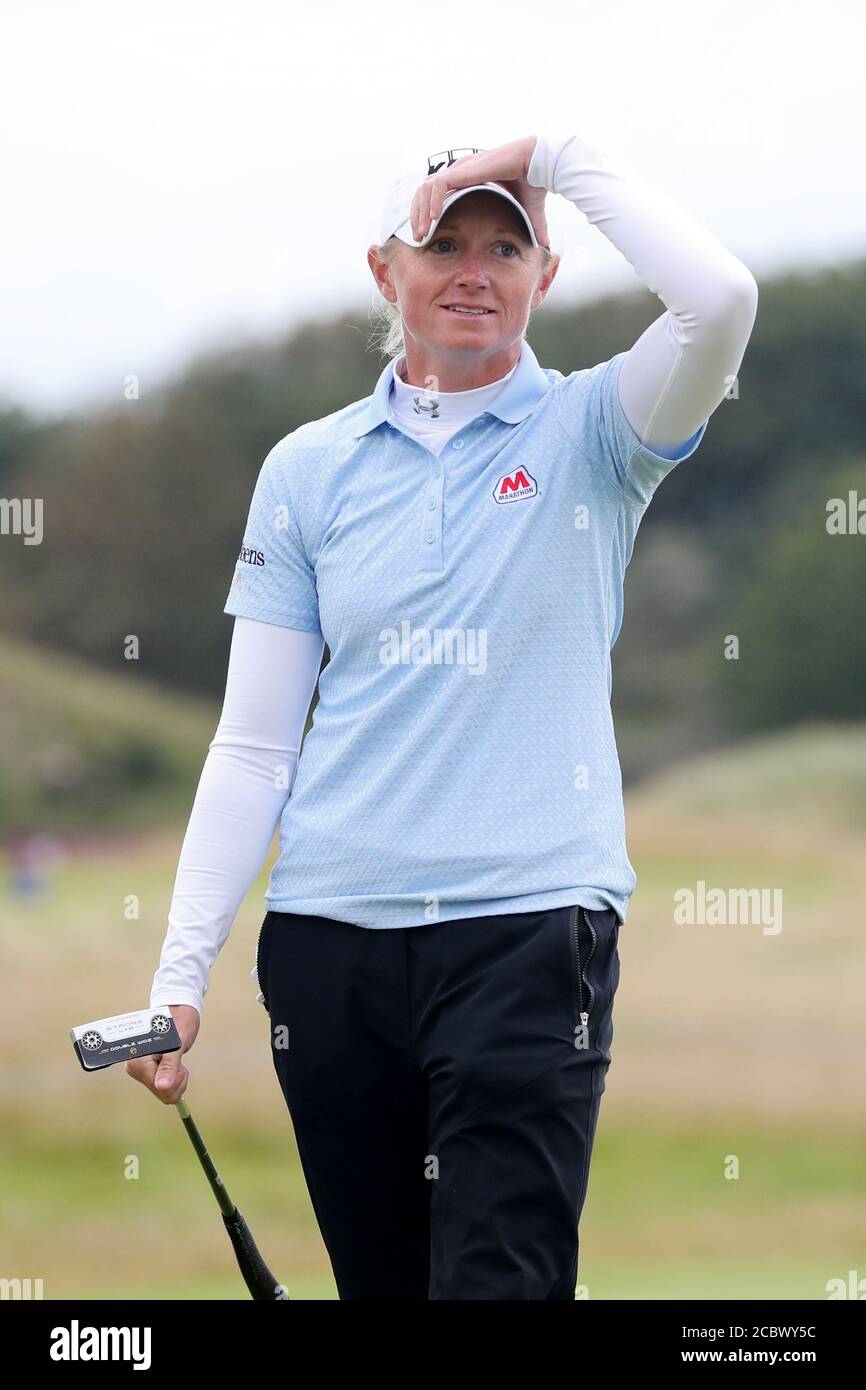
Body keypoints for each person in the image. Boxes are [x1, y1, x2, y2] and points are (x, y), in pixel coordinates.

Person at [128, 131, 758, 1300]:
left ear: (544, 279)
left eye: (505, 246)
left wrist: (555, 155)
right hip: (327, 948)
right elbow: (256, 744)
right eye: (443, 243)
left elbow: (718, 296)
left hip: (525, 933)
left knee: (498, 1282)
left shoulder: (596, 435)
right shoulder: (306, 471)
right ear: (385, 273)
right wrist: (180, 976)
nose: (474, 269)